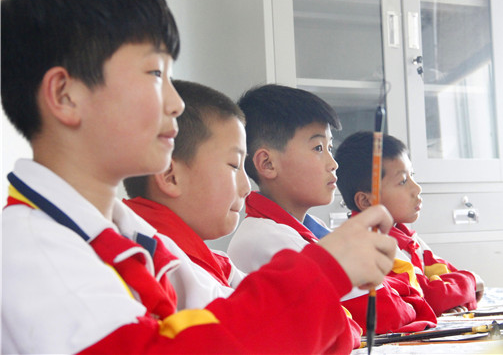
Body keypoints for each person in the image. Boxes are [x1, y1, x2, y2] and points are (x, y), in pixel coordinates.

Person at [1, 0, 397, 354]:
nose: (175, 104)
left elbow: (228, 317)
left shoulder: (132, 235)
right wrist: (322, 272)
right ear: (66, 95)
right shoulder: (30, 251)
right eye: (154, 74)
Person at [122, 79, 363, 348]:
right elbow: (276, 332)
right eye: (234, 165)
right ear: (171, 177)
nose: (247, 186)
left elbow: (333, 323)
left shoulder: (217, 262)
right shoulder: (155, 262)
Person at [227, 84, 437, 334]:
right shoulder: (265, 240)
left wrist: (405, 295)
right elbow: (385, 313)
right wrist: (409, 297)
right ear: (268, 163)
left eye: (330, 148)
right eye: (318, 148)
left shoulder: (311, 229)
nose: (333, 163)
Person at [334, 131, 484, 316]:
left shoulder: (406, 237)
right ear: (366, 201)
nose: (417, 188)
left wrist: (459, 296)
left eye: (412, 175)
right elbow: (431, 297)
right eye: (403, 181)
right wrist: (472, 281)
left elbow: (446, 275)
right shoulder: (370, 244)